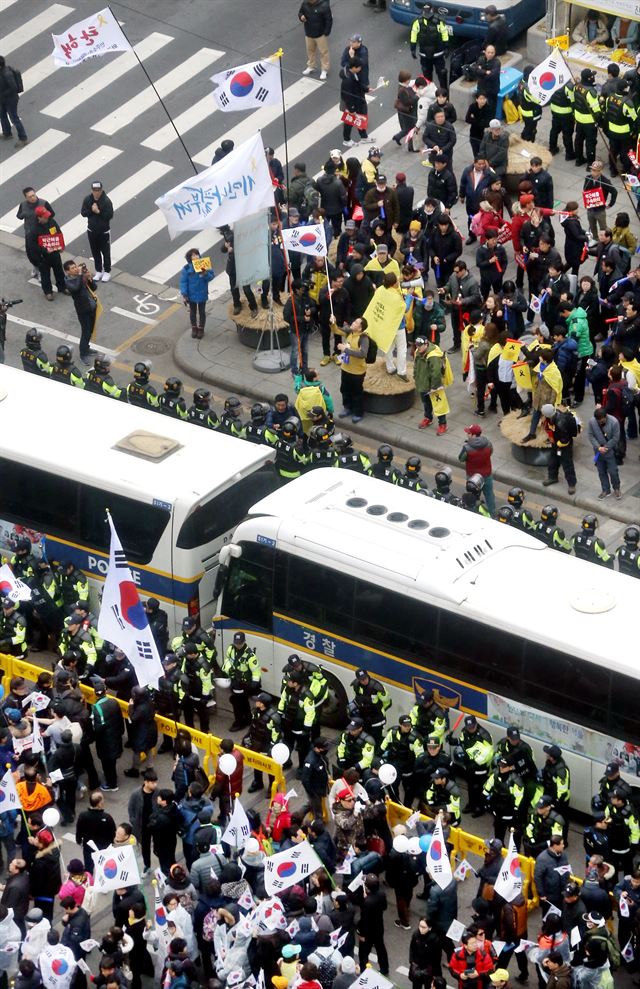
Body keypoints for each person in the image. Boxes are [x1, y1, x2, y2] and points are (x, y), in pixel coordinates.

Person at [222, 631, 261, 731]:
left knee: (237, 702)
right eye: (236, 642)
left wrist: (254, 684)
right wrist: (228, 670)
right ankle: (247, 719)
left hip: (244, 683)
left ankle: (239, 722)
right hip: (235, 680)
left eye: (240, 643)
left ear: (244, 642)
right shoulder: (231, 649)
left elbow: (256, 671)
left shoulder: (250, 656)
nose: (238, 645)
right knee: (242, 701)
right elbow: (227, 660)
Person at [91, 677, 124, 792]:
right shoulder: (114, 702)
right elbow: (120, 719)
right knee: (112, 762)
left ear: (95, 694)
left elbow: (98, 728)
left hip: (104, 742)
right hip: (115, 737)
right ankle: (112, 777)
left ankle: (112, 784)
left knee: (106, 763)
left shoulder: (96, 708)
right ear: (106, 692)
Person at [63, 260, 98, 365]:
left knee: (90, 330)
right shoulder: (69, 282)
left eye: (75, 266)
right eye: (72, 268)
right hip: (83, 310)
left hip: (91, 306)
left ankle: (86, 348)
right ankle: (83, 354)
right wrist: (80, 275)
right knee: (86, 332)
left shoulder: (80, 277)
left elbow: (94, 288)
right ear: (67, 272)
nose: (75, 269)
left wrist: (89, 278)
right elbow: (76, 288)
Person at [409, 5, 451, 89]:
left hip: (436, 54)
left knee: (440, 73)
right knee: (428, 75)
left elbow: (444, 34)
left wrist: (446, 47)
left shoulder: (419, 21)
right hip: (428, 54)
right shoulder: (418, 22)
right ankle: (432, 92)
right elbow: (413, 35)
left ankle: (443, 92)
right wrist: (412, 49)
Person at [75, 791, 116, 873]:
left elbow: (79, 830)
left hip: (88, 847)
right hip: (104, 848)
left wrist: (79, 840)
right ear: (99, 804)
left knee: (88, 868)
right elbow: (113, 832)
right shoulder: (107, 817)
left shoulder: (83, 815)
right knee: (105, 868)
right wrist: (111, 843)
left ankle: (90, 883)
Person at [80, 181, 113, 282]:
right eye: (94, 190)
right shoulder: (88, 199)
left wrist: (98, 212)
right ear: (92, 190)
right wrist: (92, 210)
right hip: (91, 230)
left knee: (106, 252)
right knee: (95, 252)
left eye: (98, 190)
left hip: (104, 232)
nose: (96, 193)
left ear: (101, 190)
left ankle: (107, 271)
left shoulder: (106, 201)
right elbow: (83, 213)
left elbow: (109, 216)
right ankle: (98, 270)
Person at [459, 424, 496, 515]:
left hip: (473, 477)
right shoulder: (488, 443)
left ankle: (474, 512)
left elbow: (461, 459)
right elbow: (491, 452)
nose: (467, 434)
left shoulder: (467, 448)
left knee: (473, 496)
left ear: (474, 435)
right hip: (487, 475)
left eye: (469, 433)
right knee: (489, 495)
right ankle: (492, 514)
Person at [127, 769, 159, 875]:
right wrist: (133, 821)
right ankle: (147, 866)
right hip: (142, 826)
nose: (155, 784)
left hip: (155, 825)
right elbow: (131, 808)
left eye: (155, 782)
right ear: (145, 782)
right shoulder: (136, 794)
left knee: (158, 845)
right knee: (145, 847)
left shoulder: (158, 793)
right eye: (152, 782)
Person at [587, 406, 621, 499]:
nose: (601, 422)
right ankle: (605, 490)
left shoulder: (614, 422)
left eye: (602, 420)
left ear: (606, 416)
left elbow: (615, 438)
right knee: (601, 471)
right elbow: (590, 435)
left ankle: (616, 488)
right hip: (598, 451)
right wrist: (598, 447)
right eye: (599, 421)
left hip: (609, 451)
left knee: (613, 471)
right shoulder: (592, 422)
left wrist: (606, 447)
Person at [357, 874, 389, 974]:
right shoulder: (381, 894)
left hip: (368, 932)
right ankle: (384, 968)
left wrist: (362, 934)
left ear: (367, 887)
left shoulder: (367, 902)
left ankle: (364, 971)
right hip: (379, 926)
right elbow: (384, 907)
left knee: (363, 953)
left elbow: (364, 920)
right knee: (380, 948)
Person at [180, 248, 214, 340]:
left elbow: (211, 277)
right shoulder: (186, 268)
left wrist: (205, 273)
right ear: (190, 258)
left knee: (202, 311)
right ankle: (194, 328)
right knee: (193, 311)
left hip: (202, 293)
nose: (195, 256)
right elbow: (183, 282)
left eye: (196, 254)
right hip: (191, 294)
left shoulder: (204, 265)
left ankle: (201, 329)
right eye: (193, 255)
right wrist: (184, 294)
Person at [571, 69, 601, 167]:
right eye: (592, 76)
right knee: (590, 143)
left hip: (579, 119)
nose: (593, 77)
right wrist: (599, 121)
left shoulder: (576, 87)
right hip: (589, 121)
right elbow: (596, 110)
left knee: (578, 140)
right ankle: (590, 164)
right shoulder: (591, 92)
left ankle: (578, 160)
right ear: (589, 78)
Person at [299, 0, 332, 81]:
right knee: (310, 50)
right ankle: (311, 66)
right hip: (309, 33)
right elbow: (300, 13)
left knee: (323, 52)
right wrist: (301, 17)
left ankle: (324, 69)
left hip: (320, 34)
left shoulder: (324, 6)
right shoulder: (305, 4)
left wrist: (326, 32)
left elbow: (329, 20)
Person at [534, 835, 569, 910]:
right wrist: (541, 894)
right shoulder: (542, 859)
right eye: (562, 844)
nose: (563, 846)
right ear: (555, 845)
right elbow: (538, 877)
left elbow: (566, 869)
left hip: (562, 893)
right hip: (550, 897)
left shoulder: (563, 855)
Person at [301, 737, 331, 820]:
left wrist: (327, 774)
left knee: (312, 804)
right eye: (323, 748)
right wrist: (312, 793)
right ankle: (318, 827)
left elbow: (324, 766)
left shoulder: (321, 756)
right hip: (314, 790)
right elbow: (305, 780)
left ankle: (299, 814)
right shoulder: (310, 761)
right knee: (318, 812)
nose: (326, 750)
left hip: (321, 788)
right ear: (317, 748)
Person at [0, 55, 27, 147]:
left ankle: (23, 138)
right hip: (2, 99)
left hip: (11, 100)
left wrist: (2, 94)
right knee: (2, 115)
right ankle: (7, 133)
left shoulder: (7, 74)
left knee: (14, 118)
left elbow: (14, 88)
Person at [393, 70, 418, 150]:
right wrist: (417, 96)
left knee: (407, 129)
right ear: (405, 80)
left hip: (407, 112)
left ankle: (397, 137)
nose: (410, 80)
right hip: (407, 113)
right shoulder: (402, 90)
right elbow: (407, 102)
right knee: (410, 129)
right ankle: (411, 147)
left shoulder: (404, 87)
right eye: (409, 79)